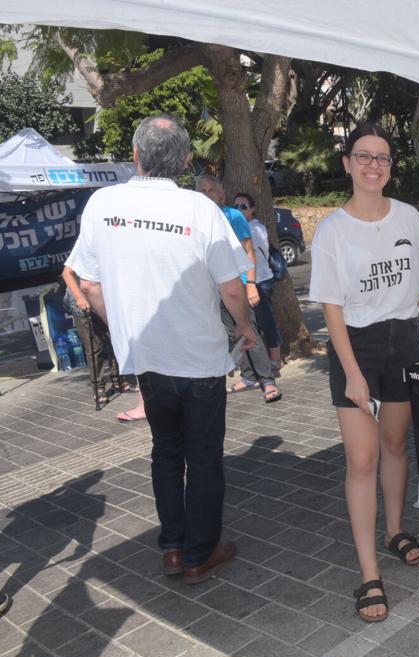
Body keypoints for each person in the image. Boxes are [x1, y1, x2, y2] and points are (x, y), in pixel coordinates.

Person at [64, 114, 255, 584]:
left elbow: (88, 284)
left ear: (136, 156)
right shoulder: (200, 209)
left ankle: (172, 547)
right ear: (186, 160)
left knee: (166, 451)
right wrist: (245, 326)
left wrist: (122, 330)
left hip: (147, 358)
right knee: (204, 456)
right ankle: (199, 554)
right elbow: (232, 286)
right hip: (200, 359)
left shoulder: (103, 203)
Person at [309, 121, 419, 623]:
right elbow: (332, 309)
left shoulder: (408, 217)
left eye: (382, 157)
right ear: (347, 164)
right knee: (362, 458)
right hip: (356, 348)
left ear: (390, 167)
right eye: (363, 156)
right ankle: (369, 572)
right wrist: (352, 373)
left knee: (395, 444)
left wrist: (404, 320)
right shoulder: (332, 230)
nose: (373, 165)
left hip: (403, 341)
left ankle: (395, 530)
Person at [195, 176, 281, 403]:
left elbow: (249, 251)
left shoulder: (233, 216)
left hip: (237, 285)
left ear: (221, 193)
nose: (207, 194)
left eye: (211, 190)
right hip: (211, 289)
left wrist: (251, 285)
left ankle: (268, 380)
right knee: (234, 335)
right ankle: (249, 376)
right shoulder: (194, 219)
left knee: (249, 330)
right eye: (202, 190)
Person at [62, 265, 147, 421]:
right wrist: (80, 298)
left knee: (115, 342)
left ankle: (119, 380)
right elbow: (67, 273)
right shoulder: (81, 254)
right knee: (95, 348)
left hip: (105, 302)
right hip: (83, 305)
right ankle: (98, 387)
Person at [233, 192, 283, 376]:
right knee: (256, 323)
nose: (240, 210)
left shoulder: (255, 228)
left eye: (244, 206)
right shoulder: (243, 227)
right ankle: (261, 363)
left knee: (266, 321)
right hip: (251, 281)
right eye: (236, 207)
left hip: (260, 281)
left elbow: (252, 254)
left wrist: (251, 283)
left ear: (253, 209)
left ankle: (275, 360)